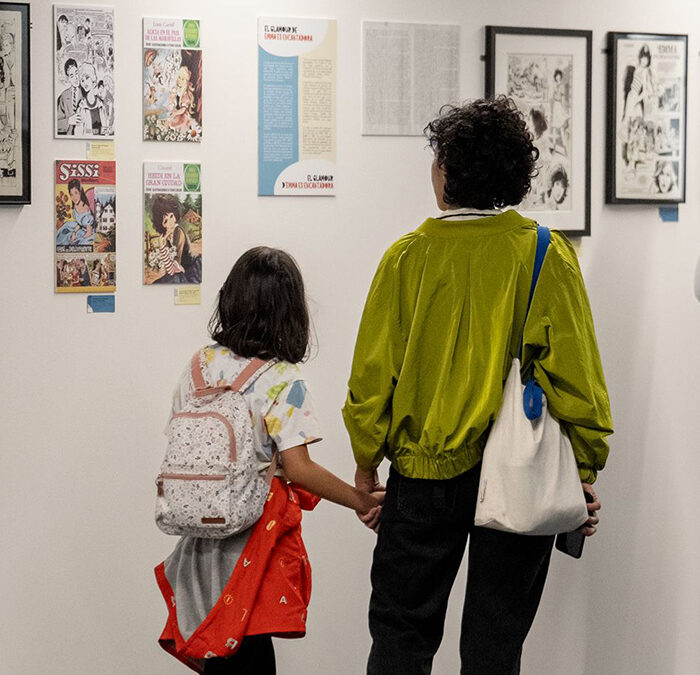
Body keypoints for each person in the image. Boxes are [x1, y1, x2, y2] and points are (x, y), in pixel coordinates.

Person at [343, 97, 613, 675]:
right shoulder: (546, 255)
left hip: (421, 475)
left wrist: (367, 466)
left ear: (447, 172)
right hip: (521, 475)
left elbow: (372, 379)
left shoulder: (406, 259)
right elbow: (578, 379)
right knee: (495, 646)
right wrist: (584, 472)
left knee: (401, 635)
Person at [155, 247, 383, 674]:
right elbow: (299, 468)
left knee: (217, 651)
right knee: (251, 654)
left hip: (200, 541)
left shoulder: (199, 365)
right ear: (290, 311)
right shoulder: (282, 377)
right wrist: (362, 501)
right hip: (253, 539)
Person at [150, 193, 201, 284]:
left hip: (193, 271)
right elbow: (167, 264)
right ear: (160, 223)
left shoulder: (178, 232)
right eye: (166, 220)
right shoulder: (165, 236)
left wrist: (162, 248)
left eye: (172, 216)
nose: (171, 222)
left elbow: (173, 270)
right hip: (180, 272)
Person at [55, 178, 94, 246]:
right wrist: (74, 233)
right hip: (78, 228)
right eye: (71, 194)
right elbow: (79, 224)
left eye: (76, 193)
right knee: (64, 230)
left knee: (72, 241)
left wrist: (76, 239)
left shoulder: (85, 209)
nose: (74, 197)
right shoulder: (75, 207)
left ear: (80, 191)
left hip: (86, 232)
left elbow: (89, 233)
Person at [56, 58, 82, 135]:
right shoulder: (64, 96)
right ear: (68, 79)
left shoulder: (85, 92)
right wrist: (69, 121)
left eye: (76, 73)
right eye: (72, 75)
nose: (76, 78)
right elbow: (56, 123)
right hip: (68, 138)